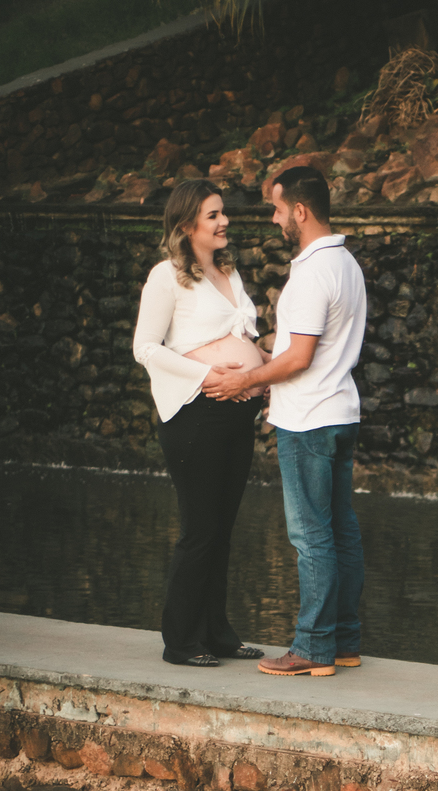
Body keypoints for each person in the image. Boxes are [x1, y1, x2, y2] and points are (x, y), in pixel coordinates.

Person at [203, 164, 366, 677]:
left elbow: (299, 359)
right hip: (339, 412)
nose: (274, 220)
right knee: (341, 532)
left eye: (277, 209)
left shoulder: (314, 271)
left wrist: (243, 382)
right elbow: (300, 346)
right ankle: (343, 641)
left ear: (300, 210)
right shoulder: (345, 263)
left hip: (309, 419)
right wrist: (255, 350)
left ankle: (313, 648)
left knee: (311, 536)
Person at [133, 179, 268, 667]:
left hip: (236, 411)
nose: (224, 220)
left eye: (223, 213)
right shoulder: (166, 277)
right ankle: (181, 641)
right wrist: (209, 372)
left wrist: (266, 370)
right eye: (213, 215)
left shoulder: (227, 271)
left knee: (222, 527)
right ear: (188, 223)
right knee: (199, 529)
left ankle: (218, 634)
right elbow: (145, 348)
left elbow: (243, 337)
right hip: (196, 412)